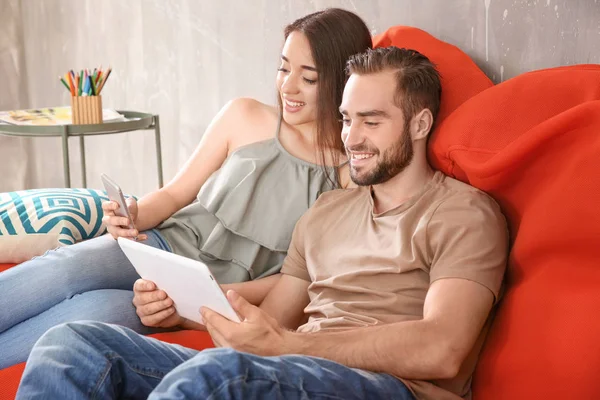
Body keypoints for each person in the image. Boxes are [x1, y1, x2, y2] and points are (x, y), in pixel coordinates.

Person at [17, 46, 508, 400]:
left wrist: (289, 346)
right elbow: (270, 323)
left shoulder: (461, 213)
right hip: (288, 371)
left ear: (420, 125)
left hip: (388, 387)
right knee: (73, 344)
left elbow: (444, 348)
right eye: (345, 119)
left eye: (372, 121)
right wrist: (180, 315)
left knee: (218, 376)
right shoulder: (325, 214)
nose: (352, 137)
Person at [0, 8, 373, 369]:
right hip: (162, 247)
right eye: (283, 67)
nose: (288, 86)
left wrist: (196, 301)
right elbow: (176, 194)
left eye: (308, 78)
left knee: (93, 313)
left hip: (211, 292)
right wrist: (133, 216)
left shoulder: (346, 180)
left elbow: (293, 281)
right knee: (65, 269)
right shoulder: (245, 115)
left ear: (344, 84)